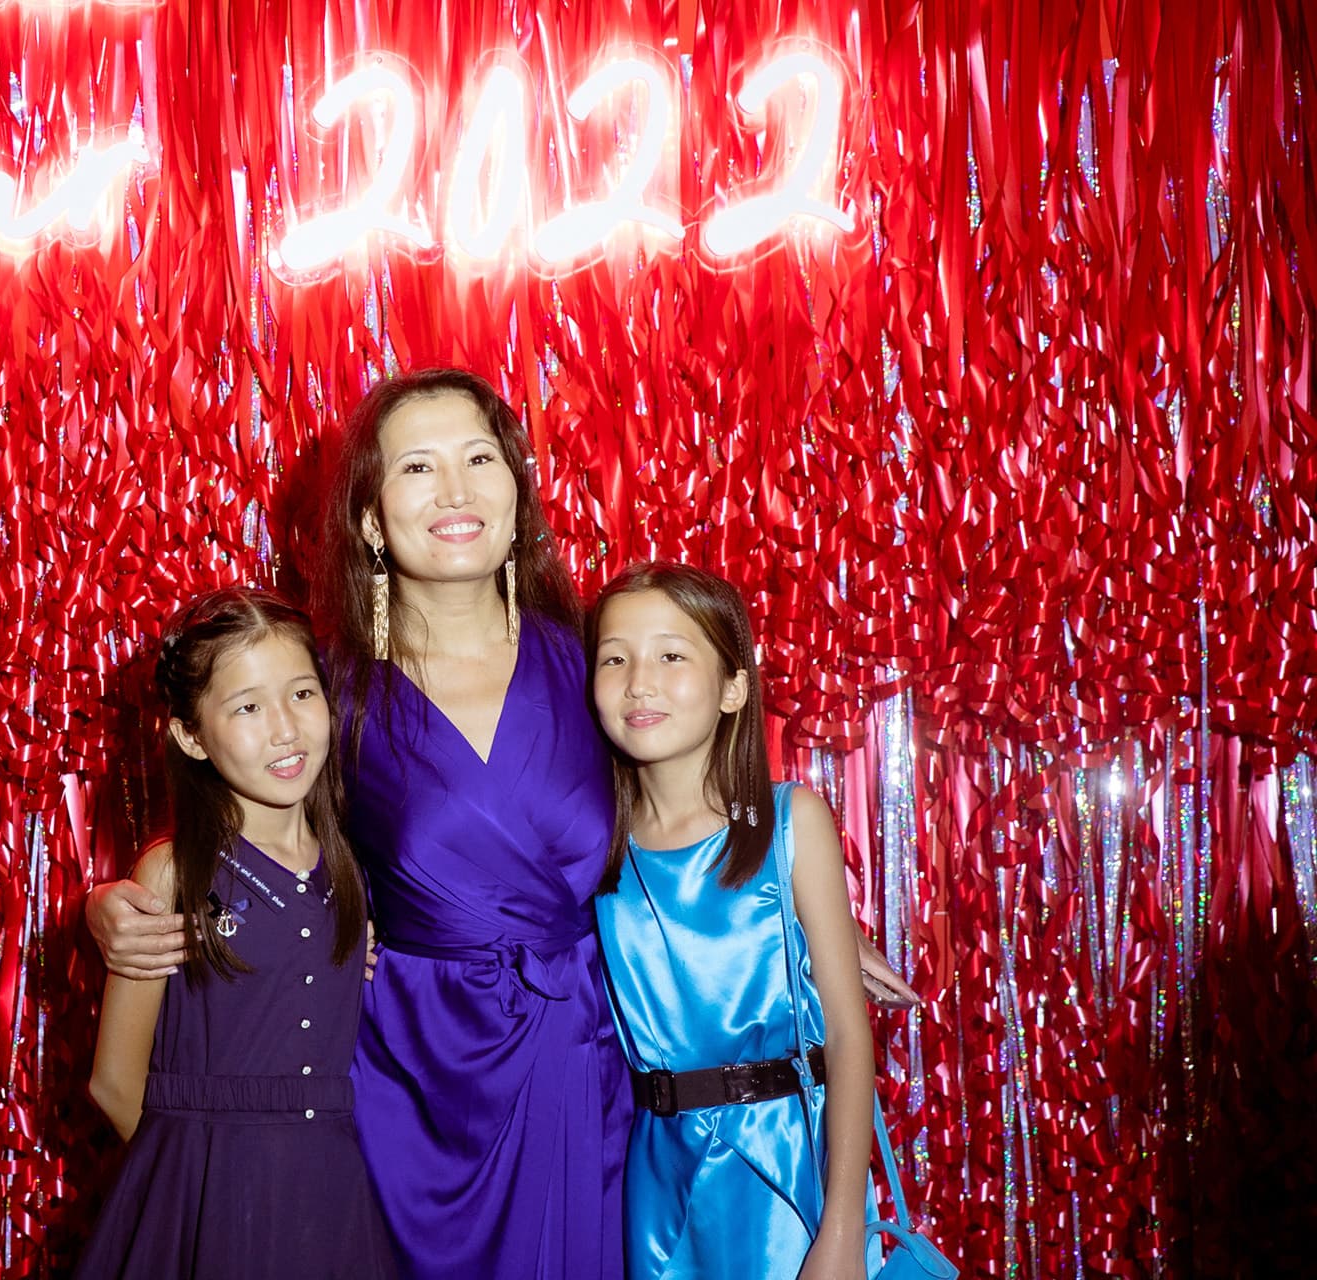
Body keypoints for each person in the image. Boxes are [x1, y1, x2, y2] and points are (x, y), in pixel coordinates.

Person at [86, 370, 915, 1277]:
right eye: (417, 467)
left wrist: (791, 919)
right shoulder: (328, 688)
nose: (455, 490)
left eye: (479, 458)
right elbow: (248, 824)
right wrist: (114, 901)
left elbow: (688, 804)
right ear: (370, 517)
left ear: (518, 491)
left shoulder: (596, 661)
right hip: (413, 1087)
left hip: (588, 1067)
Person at [78, 588, 396, 1280]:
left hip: (332, 1201)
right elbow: (113, 1082)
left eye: (302, 694)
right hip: (208, 1206)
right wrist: (197, 1184)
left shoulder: (351, 869)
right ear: (191, 736)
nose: (285, 729)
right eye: (248, 707)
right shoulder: (171, 873)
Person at [589, 562, 872, 1280]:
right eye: (615, 659)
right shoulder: (593, 846)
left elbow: (847, 1035)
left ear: (734, 687)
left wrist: (842, 1228)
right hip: (658, 1184)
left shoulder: (789, 823)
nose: (639, 682)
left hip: (786, 1172)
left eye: (671, 656)